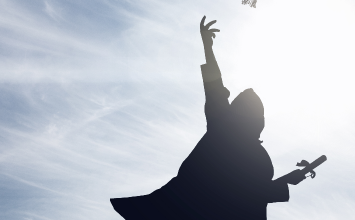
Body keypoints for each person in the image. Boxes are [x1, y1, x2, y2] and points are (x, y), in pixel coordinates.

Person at [110, 17, 306, 220]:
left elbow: (250, 195)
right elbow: (214, 86)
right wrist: (208, 48)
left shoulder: (256, 154)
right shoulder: (224, 130)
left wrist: (286, 181)